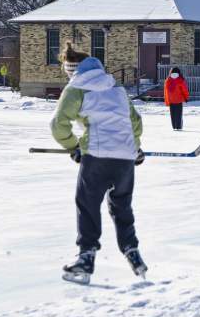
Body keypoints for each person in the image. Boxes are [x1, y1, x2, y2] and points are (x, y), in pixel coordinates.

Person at [51, 42, 147, 284]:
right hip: (124, 157)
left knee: (87, 204)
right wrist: (134, 149)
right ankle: (132, 253)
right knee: (121, 206)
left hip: (97, 156)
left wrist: (73, 147)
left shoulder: (76, 89)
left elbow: (58, 125)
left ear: (72, 71)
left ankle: (85, 259)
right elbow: (135, 122)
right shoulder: (116, 87)